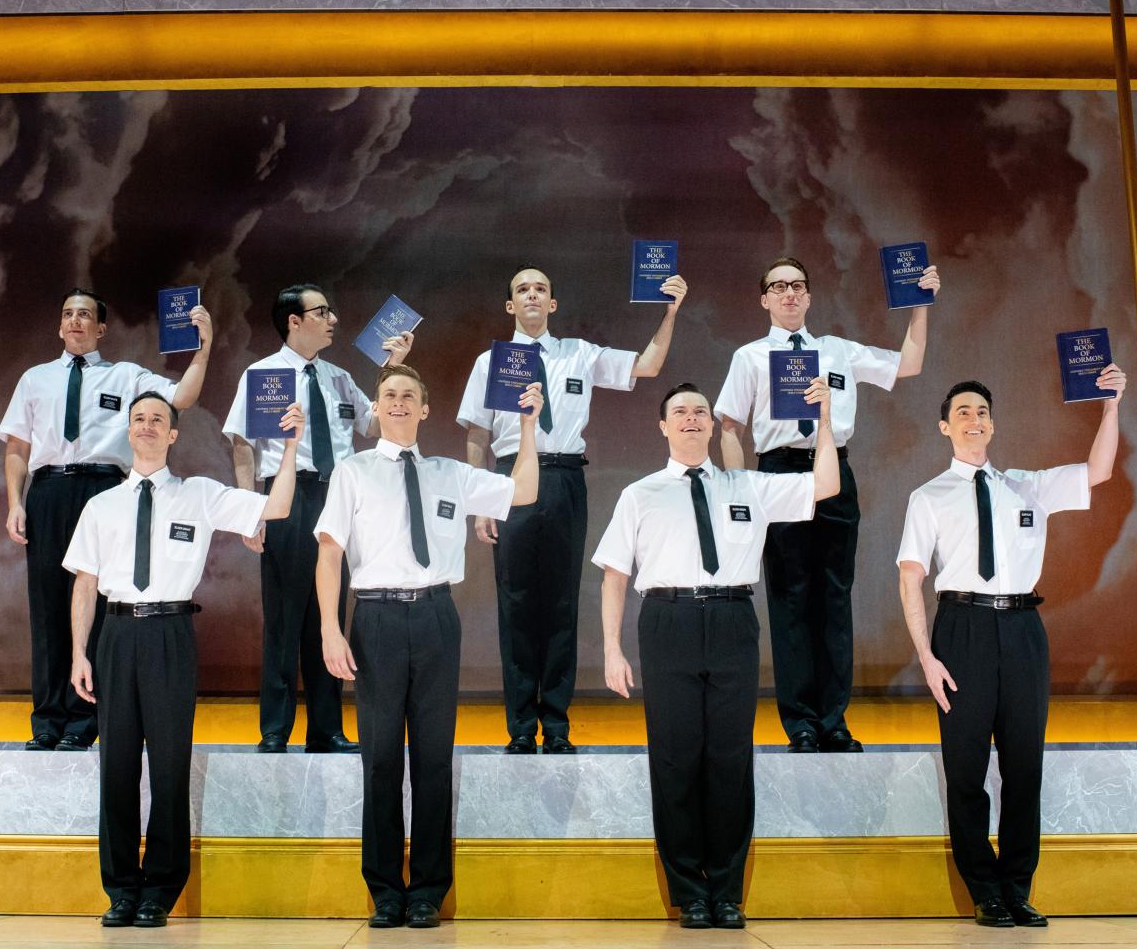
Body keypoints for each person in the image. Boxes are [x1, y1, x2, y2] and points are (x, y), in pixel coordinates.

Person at [594, 380, 839, 930]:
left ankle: (726, 892)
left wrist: (825, 418)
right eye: (679, 411)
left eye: (700, 411)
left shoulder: (747, 485)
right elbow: (614, 577)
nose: (691, 418)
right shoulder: (640, 493)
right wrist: (611, 649)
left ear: (711, 424)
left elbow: (826, 484)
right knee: (675, 759)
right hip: (668, 621)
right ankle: (689, 892)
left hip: (733, 620)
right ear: (663, 426)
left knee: (730, 759)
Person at [895, 364, 1127, 928]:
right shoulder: (928, 496)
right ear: (945, 427)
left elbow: (1098, 470)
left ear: (993, 425)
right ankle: (985, 891)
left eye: (982, 412)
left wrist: (1111, 404)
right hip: (961, 631)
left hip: (1023, 629)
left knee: (1025, 768)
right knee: (967, 770)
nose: (974, 420)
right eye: (963, 412)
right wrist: (927, 657)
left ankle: (1018, 888)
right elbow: (910, 577)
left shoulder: (1028, 485)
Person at [63, 390, 302, 928]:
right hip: (115, 635)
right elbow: (85, 584)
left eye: (158, 420)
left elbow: (277, 507)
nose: (147, 425)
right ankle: (121, 890)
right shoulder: (101, 505)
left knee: (170, 767)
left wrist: (290, 448)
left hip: (171, 634)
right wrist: (80, 651)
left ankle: (159, 892)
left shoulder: (199, 494)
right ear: (129, 431)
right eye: (139, 419)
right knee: (117, 768)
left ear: (172, 435)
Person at [318, 364, 542, 929]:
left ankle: (427, 891)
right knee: (380, 758)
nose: (398, 402)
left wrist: (527, 426)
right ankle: (384, 890)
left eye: (408, 396)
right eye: (388, 395)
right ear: (376, 407)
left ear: (425, 409)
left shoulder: (451, 473)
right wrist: (329, 628)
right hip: (375, 619)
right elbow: (329, 554)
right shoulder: (353, 472)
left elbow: (524, 490)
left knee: (434, 758)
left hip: (437, 617)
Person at [458, 264, 686, 754]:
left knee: (562, 603)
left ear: (552, 303)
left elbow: (647, 366)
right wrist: (480, 502)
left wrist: (670, 313)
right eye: (522, 289)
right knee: (516, 604)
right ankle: (522, 727)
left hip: (564, 478)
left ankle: (557, 725)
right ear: (510, 305)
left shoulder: (579, 354)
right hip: (510, 478)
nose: (532, 295)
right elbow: (477, 433)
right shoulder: (491, 362)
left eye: (541, 288)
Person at [715, 256, 939, 752]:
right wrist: (739, 491)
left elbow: (909, 363)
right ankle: (800, 722)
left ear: (810, 297)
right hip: (777, 473)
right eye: (779, 287)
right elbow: (729, 425)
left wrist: (920, 303)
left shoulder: (838, 350)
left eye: (798, 285)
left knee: (835, 598)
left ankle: (835, 720)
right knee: (789, 599)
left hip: (832, 469)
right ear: (764, 299)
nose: (789, 293)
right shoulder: (750, 356)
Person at [0, 288, 213, 751]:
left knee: (97, 605)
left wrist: (203, 348)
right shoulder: (35, 379)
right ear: (60, 325)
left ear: (101, 328)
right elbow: (17, 447)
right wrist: (16, 501)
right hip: (49, 491)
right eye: (67, 314)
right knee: (48, 607)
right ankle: (47, 720)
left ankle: (84, 721)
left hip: (104, 490)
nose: (75, 321)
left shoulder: (126, 375)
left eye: (85, 315)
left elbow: (183, 397)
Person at [222, 284, 414, 754]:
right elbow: (243, 444)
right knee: (284, 617)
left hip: (338, 496)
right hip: (287, 496)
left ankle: (326, 728)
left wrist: (393, 366)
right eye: (322, 312)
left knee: (329, 614)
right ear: (294, 321)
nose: (333, 320)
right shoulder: (263, 375)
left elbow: (375, 424)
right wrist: (250, 510)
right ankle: (275, 729)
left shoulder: (339, 377)